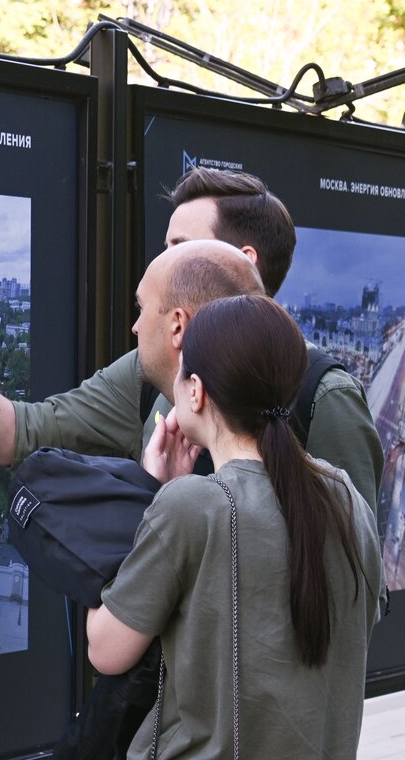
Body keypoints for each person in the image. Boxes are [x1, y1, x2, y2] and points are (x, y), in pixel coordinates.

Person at [0, 167, 382, 512]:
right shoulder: (148, 369)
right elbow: (15, 433)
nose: (160, 260)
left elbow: (351, 593)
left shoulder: (322, 396)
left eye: (177, 245)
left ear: (239, 264)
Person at [86, 295, 384, 758]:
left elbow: (106, 649)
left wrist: (149, 494)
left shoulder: (190, 506)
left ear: (196, 390)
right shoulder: (346, 497)